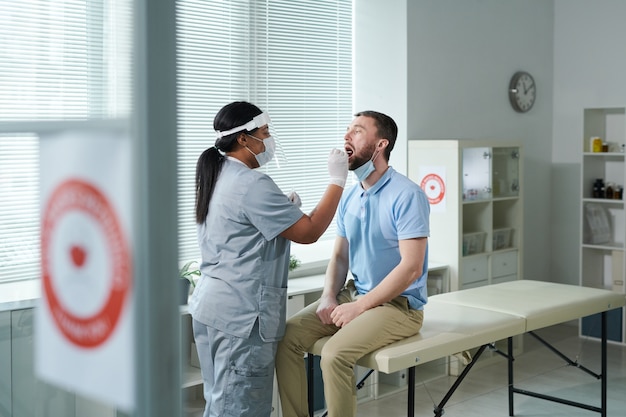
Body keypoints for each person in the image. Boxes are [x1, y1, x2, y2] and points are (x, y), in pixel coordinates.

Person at [188, 101, 349, 417]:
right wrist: (337, 181)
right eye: (265, 132)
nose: (270, 140)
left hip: (213, 309)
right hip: (242, 317)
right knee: (241, 408)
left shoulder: (218, 173)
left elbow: (240, 232)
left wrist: (282, 211)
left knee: (220, 402)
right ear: (244, 139)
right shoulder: (252, 183)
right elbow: (309, 231)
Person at [275, 110, 430, 417]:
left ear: (381, 144)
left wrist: (359, 307)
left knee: (334, 354)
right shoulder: (349, 197)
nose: (346, 136)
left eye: (357, 131)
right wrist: (330, 296)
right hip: (355, 293)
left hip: (399, 307)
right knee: (287, 339)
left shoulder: (407, 194)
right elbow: (340, 256)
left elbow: (411, 267)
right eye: (347, 130)